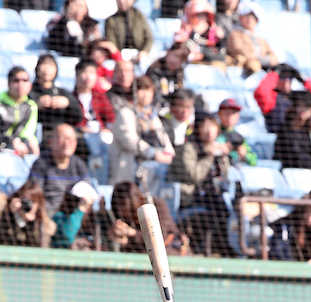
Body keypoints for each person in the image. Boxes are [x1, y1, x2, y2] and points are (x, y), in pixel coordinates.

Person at [168, 110, 232, 254]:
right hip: (189, 195)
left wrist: (222, 157)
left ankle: (222, 247)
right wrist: (209, 156)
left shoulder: (216, 146)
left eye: (213, 126)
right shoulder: (189, 148)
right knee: (217, 208)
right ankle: (206, 248)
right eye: (205, 126)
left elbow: (225, 176)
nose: (209, 131)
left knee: (226, 206)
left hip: (211, 195)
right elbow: (194, 176)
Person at [109, 74, 174, 188]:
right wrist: (153, 154)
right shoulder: (125, 113)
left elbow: (163, 138)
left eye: (149, 90)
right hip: (130, 170)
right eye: (141, 90)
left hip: (154, 169)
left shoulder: (153, 116)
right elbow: (129, 141)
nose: (145, 94)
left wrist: (169, 153)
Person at [109, 179, 189, 253]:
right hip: (141, 259)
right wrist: (123, 240)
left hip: (170, 253)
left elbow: (159, 237)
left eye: (124, 209)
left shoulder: (156, 205)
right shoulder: (124, 219)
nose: (122, 213)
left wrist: (131, 233)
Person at [28, 122, 91, 214]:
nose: (67, 143)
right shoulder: (41, 164)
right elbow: (34, 195)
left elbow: (87, 191)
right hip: (47, 215)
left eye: (71, 139)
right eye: (64, 138)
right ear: (51, 142)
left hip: (72, 215)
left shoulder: (79, 164)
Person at [254, 64, 311, 135]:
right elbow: (261, 92)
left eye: (289, 78)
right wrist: (274, 74)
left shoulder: (298, 96)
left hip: (303, 137)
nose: (286, 81)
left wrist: (303, 80)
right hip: (281, 139)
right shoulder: (272, 98)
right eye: (282, 78)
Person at [74, 57, 115, 179]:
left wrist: (106, 129)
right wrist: (81, 129)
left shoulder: (100, 97)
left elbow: (111, 118)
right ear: (77, 75)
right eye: (84, 72)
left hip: (100, 134)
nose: (88, 77)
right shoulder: (71, 98)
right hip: (81, 137)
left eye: (92, 73)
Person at [30, 53, 82, 143]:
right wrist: (36, 104)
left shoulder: (63, 93)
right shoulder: (29, 92)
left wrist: (68, 103)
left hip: (62, 135)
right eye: (44, 64)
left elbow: (78, 117)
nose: (47, 68)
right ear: (37, 69)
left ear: (56, 70)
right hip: (38, 135)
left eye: (51, 65)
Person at [274, 90, 311, 170]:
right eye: (301, 106)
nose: (303, 110)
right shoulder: (286, 128)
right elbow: (294, 154)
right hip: (293, 169)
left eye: (307, 107)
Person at [226, 1, 278, 77]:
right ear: (241, 18)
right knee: (254, 65)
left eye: (253, 17)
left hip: (263, 66)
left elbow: (272, 54)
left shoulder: (260, 37)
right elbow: (241, 51)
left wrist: (270, 59)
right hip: (246, 69)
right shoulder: (235, 34)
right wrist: (262, 59)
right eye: (247, 16)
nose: (250, 20)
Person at [0, 178, 55, 247]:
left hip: (33, 246)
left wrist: (34, 212)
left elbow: (50, 230)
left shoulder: (41, 211)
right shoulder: (11, 206)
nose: (28, 203)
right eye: (25, 199)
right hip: (10, 242)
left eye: (32, 200)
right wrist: (15, 210)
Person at [0, 66, 39, 157]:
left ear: (30, 85)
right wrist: (11, 141)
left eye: (25, 80)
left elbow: (27, 132)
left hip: (17, 146)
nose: (20, 84)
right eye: (16, 81)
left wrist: (29, 143)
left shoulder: (31, 106)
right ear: (9, 84)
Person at [51, 177, 97, 248]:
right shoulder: (59, 216)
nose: (90, 206)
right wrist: (81, 209)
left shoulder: (90, 218)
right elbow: (68, 236)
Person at [104, 0, 154, 64]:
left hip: (139, 54)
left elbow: (149, 37)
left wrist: (144, 51)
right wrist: (118, 56)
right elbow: (111, 42)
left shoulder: (139, 16)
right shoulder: (111, 20)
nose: (122, 2)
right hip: (120, 55)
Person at [215, 97, 256, 164]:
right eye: (226, 113)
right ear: (219, 114)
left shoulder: (239, 138)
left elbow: (254, 161)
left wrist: (245, 155)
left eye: (233, 113)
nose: (230, 116)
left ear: (238, 116)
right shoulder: (213, 133)